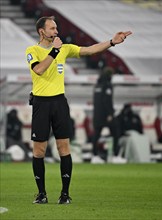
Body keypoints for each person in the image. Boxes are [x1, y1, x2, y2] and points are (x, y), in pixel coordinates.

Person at [25, 16, 132, 204]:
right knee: (39, 151)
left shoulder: (65, 48)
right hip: (41, 104)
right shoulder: (32, 51)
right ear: (42, 31)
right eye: (52, 28)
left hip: (59, 102)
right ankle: (41, 194)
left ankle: (65, 194)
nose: (56, 31)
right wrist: (55, 51)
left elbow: (89, 50)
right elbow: (39, 70)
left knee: (63, 148)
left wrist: (111, 42)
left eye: (56, 28)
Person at [92, 67, 115, 163]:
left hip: (96, 114)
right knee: (116, 133)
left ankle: (94, 155)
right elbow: (107, 100)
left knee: (96, 135)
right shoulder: (107, 85)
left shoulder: (97, 85)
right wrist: (110, 113)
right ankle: (116, 155)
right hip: (105, 115)